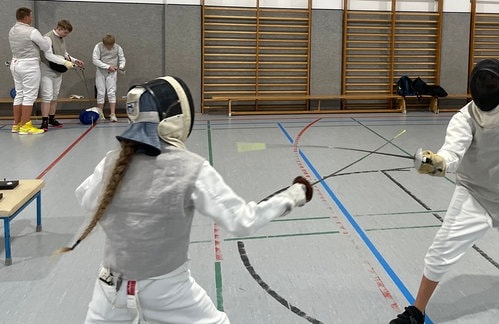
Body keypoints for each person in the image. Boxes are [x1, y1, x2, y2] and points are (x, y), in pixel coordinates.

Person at [59, 76, 313, 324]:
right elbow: (242, 221)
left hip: (110, 290)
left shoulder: (111, 162)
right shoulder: (191, 168)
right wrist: (293, 196)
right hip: (168, 291)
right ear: (178, 118)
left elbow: (87, 199)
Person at [390, 59, 499, 324]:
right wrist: (438, 163)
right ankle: (417, 310)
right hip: (474, 196)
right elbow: (452, 153)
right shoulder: (465, 118)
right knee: (441, 251)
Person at [8, 7, 67, 135]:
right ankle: (25, 126)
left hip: (15, 64)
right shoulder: (32, 31)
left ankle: (16, 124)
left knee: (19, 95)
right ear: (25, 18)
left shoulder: (12, 30)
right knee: (29, 96)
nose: (32, 18)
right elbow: (45, 46)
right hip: (29, 66)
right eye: (30, 16)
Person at [39, 19, 85, 131]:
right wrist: (65, 62)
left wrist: (74, 60)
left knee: (55, 96)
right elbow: (48, 55)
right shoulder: (47, 38)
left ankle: (51, 119)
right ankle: (44, 121)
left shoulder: (61, 38)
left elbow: (64, 53)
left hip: (58, 71)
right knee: (47, 95)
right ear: (59, 28)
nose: (66, 35)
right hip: (47, 70)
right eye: (65, 32)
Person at [92, 34, 126, 122]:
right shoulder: (98, 46)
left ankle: (113, 114)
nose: (109, 47)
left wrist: (121, 66)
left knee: (111, 92)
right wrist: (107, 67)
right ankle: (100, 114)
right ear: (103, 44)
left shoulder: (118, 48)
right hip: (100, 72)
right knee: (101, 92)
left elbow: (122, 59)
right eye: (107, 45)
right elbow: (95, 60)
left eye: (111, 45)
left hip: (112, 72)